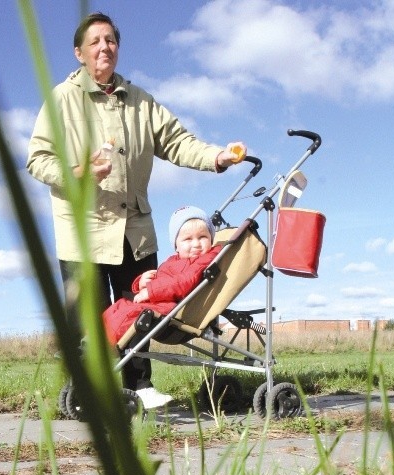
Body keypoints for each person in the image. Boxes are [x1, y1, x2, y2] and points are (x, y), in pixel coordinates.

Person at [26, 12, 246, 407]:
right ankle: (88, 392)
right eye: (93, 42)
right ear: (79, 53)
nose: (103, 47)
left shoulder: (142, 101)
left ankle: (140, 388)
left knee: (143, 309)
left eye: (110, 40)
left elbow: (179, 142)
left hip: (134, 230)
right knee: (87, 321)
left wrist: (218, 156)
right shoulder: (61, 100)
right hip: (84, 232)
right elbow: (38, 160)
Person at [102, 206, 220, 408]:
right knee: (119, 306)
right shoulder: (172, 261)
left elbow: (185, 282)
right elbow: (162, 279)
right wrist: (141, 282)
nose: (196, 244)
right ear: (176, 245)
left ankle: (140, 387)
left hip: (173, 313)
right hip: (158, 306)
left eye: (202, 237)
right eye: (187, 239)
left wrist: (151, 292)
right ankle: (96, 341)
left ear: (211, 238)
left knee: (132, 315)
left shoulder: (205, 261)